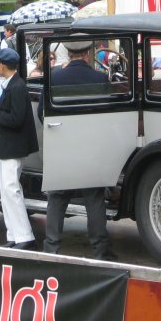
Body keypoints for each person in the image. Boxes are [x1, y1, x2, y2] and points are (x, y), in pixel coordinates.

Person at [45, 38, 116, 260]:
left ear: (69, 52)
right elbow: (108, 115)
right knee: (94, 199)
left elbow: (42, 114)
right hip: (90, 148)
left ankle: (52, 248)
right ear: (87, 54)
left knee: (57, 198)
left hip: (62, 147)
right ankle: (99, 250)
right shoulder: (99, 78)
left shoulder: (54, 78)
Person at [0, 48, 39, 250]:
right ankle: (14, 233)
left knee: (11, 190)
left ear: (3, 65)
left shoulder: (16, 87)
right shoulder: (14, 84)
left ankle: (24, 235)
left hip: (13, 146)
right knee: (7, 191)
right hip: (10, 146)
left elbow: (16, 119)